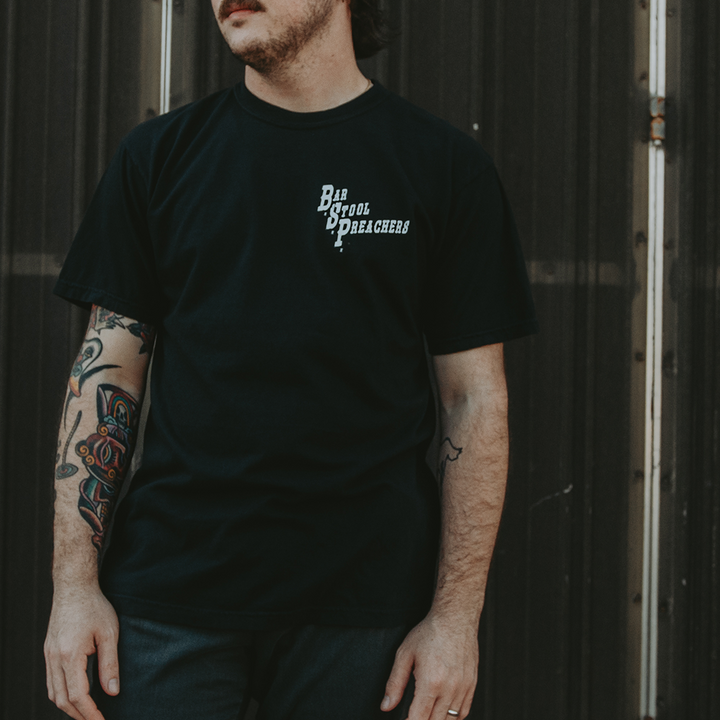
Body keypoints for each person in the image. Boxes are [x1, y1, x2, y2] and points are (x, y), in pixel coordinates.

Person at [44, 1, 538, 719]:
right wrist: (74, 586)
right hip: (167, 604)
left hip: (365, 616)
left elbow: (476, 402)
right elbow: (107, 373)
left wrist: (455, 620)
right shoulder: (158, 158)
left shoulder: (442, 167)